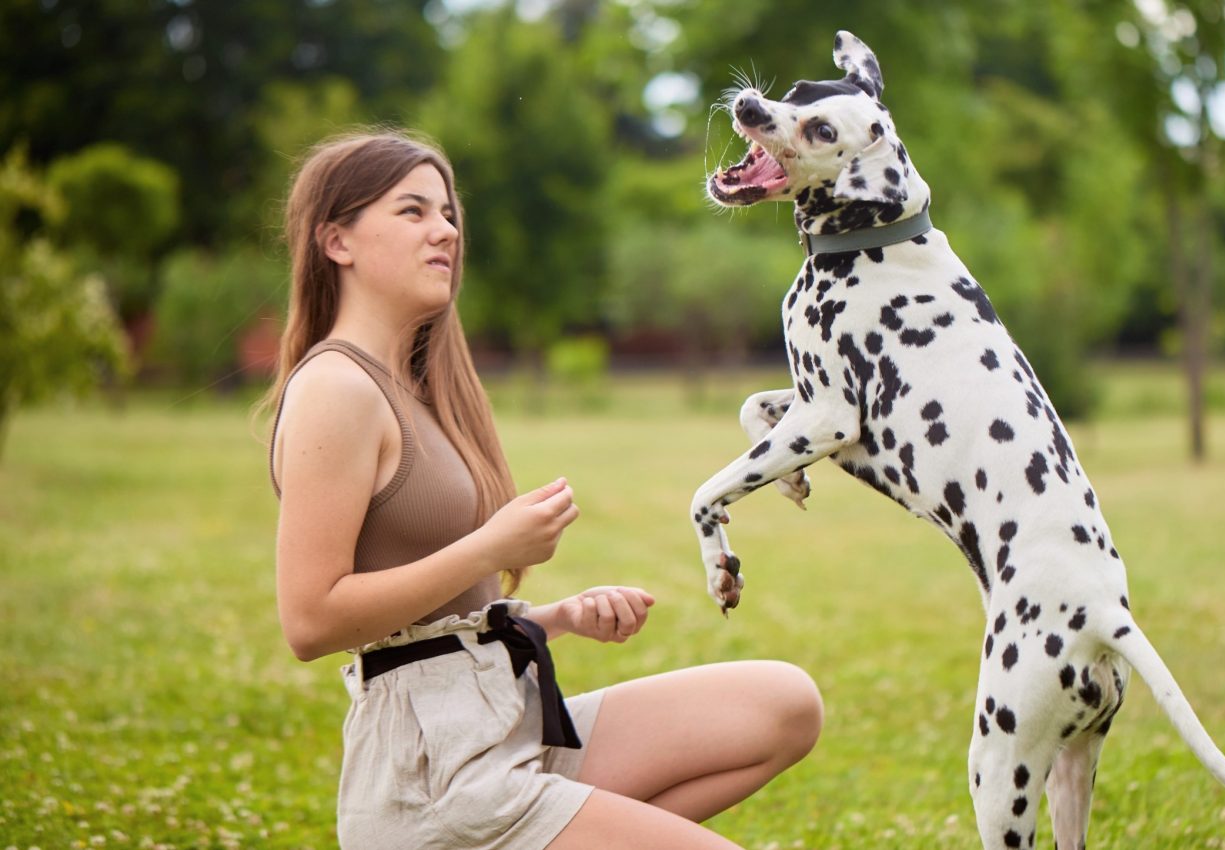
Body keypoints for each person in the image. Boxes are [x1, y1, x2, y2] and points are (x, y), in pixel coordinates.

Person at [261, 129, 823, 850]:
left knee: (784, 703)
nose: (445, 231)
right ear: (336, 240)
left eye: (448, 214)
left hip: (507, 723)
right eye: (412, 211)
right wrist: (490, 548)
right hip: (434, 779)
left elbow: (433, 623)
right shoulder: (335, 388)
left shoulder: (422, 389)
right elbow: (310, 621)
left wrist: (554, 618)